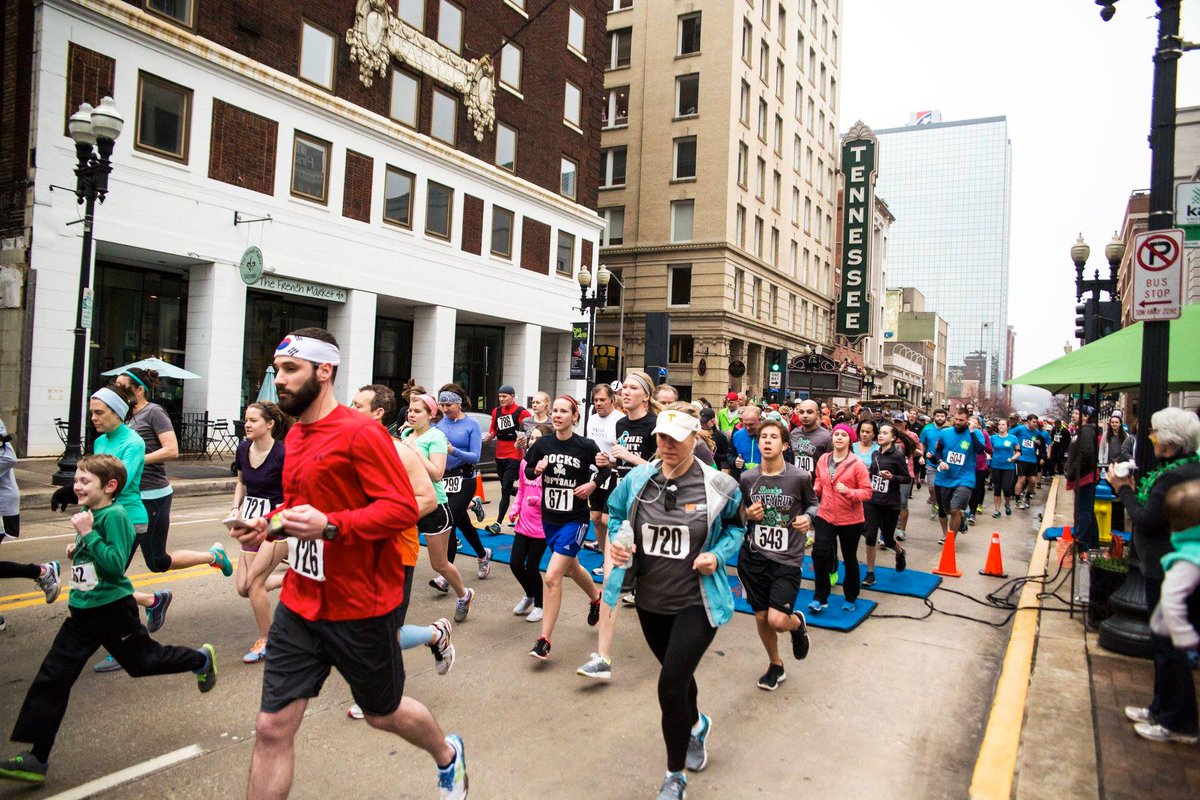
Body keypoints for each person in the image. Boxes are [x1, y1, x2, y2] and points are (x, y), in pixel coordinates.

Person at [227, 329, 468, 798]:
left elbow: (404, 507)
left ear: (324, 371)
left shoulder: (361, 433)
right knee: (272, 727)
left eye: (290, 369)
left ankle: (448, 753)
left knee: (382, 712)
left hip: (360, 607)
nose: (279, 379)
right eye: (277, 370)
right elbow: (300, 507)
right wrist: (269, 527)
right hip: (300, 604)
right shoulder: (296, 435)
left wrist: (332, 527)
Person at [0, 454, 216, 785]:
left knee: (143, 662)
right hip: (83, 613)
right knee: (53, 677)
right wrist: (80, 546)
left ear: (110, 486)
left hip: (113, 612)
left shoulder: (115, 516)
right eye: (76, 480)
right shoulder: (93, 512)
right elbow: (96, 557)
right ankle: (35, 758)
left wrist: (88, 536)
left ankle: (199, 659)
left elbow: (115, 564)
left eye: (85, 481)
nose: (76, 486)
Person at [605, 408, 745, 800]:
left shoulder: (719, 486)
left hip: (697, 601)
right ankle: (697, 725)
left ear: (693, 440)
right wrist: (620, 539)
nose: (665, 446)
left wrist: (717, 554)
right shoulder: (637, 480)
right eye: (660, 438)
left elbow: (737, 528)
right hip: (650, 599)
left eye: (675, 439)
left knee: (669, 687)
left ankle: (674, 775)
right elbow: (616, 515)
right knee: (678, 676)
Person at [85, 382, 227, 673]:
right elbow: (96, 480)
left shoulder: (136, 438)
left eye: (99, 413)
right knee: (104, 581)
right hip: (105, 515)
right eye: (92, 413)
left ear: (118, 411)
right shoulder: (101, 443)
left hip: (131, 515)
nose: (94, 419)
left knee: (113, 580)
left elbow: (118, 480)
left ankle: (126, 642)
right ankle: (151, 603)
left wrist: (88, 490)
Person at [344, 386, 455, 719]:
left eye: (357, 405)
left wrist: (378, 522)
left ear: (378, 413)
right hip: (359, 551)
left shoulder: (399, 451)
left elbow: (428, 500)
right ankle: (436, 634)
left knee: (383, 631)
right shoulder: (350, 450)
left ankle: (378, 693)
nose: (350, 409)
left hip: (395, 550)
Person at [1109, 406, 1200, 744]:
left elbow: (1146, 519)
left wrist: (1122, 488)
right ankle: (1160, 707)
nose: (1151, 438)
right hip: (1162, 566)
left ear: (1170, 440)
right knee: (1162, 645)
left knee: (1168, 648)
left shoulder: (1176, 476)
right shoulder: (1176, 470)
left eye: (1155, 433)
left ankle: (1179, 722)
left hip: (1168, 568)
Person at [578, 371, 660, 680]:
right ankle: (603, 659)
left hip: (650, 513)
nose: (625, 392)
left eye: (632, 388)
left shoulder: (655, 427)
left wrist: (630, 456)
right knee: (611, 582)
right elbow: (621, 465)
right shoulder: (621, 424)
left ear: (645, 396)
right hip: (622, 509)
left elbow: (662, 470)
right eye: (623, 387)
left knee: (659, 589)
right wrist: (609, 463)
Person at [736, 418, 814, 691]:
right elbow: (738, 515)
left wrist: (807, 518)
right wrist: (748, 514)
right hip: (754, 556)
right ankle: (776, 664)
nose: (767, 441)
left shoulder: (799, 477)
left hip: (787, 557)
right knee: (760, 617)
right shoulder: (747, 478)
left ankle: (796, 625)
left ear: (783, 444)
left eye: (772, 437)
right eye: (763, 437)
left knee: (777, 620)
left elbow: (814, 505)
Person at [524, 395, 603, 660]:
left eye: (563, 411)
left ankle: (544, 640)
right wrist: (537, 469)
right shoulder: (544, 443)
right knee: (573, 568)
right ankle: (596, 598)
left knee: (552, 575)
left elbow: (605, 470)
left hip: (575, 519)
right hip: (551, 518)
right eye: (554, 411)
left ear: (574, 416)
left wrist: (592, 485)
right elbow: (528, 472)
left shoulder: (585, 445)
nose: (557, 415)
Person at [231, 401, 289, 663]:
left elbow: (294, 495)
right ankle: (293, 581)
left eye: (253, 420)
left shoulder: (282, 453)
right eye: (246, 419)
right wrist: (235, 508)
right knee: (243, 588)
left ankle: (268, 641)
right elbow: (242, 481)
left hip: (278, 524)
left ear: (270, 424)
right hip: (250, 521)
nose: (247, 424)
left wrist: (275, 519)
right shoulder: (243, 448)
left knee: (254, 583)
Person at [810, 424, 872, 612]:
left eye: (843, 435)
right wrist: (814, 490)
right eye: (836, 434)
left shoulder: (857, 464)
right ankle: (820, 597)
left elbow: (867, 492)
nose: (838, 438)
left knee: (849, 557)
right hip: (825, 514)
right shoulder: (823, 459)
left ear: (850, 440)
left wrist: (849, 492)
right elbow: (819, 481)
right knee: (819, 554)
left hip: (851, 519)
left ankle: (850, 596)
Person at [435, 385, 491, 582]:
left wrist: (453, 451)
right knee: (462, 523)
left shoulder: (472, 424)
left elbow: (475, 456)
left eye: (449, 404)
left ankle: (445, 576)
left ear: (458, 403)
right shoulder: (439, 424)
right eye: (442, 404)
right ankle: (483, 554)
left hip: (465, 479)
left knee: (448, 520)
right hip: (444, 479)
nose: (445, 408)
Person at [927, 408, 988, 546]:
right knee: (945, 510)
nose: (958, 422)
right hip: (944, 477)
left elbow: (979, 450)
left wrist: (972, 431)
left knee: (954, 509)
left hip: (965, 478)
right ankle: (961, 517)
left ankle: (950, 541)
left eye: (962, 420)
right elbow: (938, 450)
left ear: (967, 420)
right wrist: (940, 461)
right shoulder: (945, 432)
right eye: (956, 419)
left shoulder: (976, 434)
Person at [509, 424, 551, 622]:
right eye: (531, 438)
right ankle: (529, 595)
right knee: (515, 563)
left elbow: (555, 497)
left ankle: (540, 606)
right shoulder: (525, 464)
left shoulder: (552, 466)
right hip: (524, 522)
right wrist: (515, 508)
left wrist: (539, 502)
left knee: (532, 566)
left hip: (542, 525)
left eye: (538, 439)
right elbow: (521, 490)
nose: (533, 442)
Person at [863, 422, 911, 586]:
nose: (880, 435)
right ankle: (870, 572)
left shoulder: (897, 456)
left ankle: (899, 552)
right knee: (870, 536)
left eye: (885, 433)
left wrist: (892, 478)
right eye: (880, 433)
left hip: (890, 503)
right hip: (873, 501)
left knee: (889, 539)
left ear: (893, 438)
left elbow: (907, 478)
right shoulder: (875, 454)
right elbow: (872, 475)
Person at [483, 385, 531, 535]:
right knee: (507, 487)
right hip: (500, 454)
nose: (501, 399)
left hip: (514, 454)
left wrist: (524, 441)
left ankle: (497, 523)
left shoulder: (521, 412)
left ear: (512, 396)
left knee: (505, 490)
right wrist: (490, 435)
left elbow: (529, 430)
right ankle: (528, 496)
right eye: (500, 396)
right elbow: (493, 429)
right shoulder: (496, 411)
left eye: (505, 396)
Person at [585, 383, 624, 564]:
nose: (598, 403)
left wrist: (610, 461)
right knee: (595, 518)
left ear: (612, 400)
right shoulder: (592, 418)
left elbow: (625, 453)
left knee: (607, 519)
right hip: (597, 474)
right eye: (595, 400)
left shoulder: (620, 420)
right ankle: (604, 555)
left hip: (615, 473)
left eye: (602, 400)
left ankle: (612, 558)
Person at [1064, 405, 1100, 553]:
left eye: (1077, 413)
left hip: (1084, 476)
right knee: (1088, 511)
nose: (1073, 415)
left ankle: (1081, 541)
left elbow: (1086, 454)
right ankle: (1092, 544)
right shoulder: (1084, 431)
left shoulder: (1086, 431)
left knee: (1083, 510)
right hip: (1083, 475)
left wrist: (1072, 471)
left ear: (1085, 417)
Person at [989, 418, 1021, 518]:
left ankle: (1007, 504)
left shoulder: (1013, 438)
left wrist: (1012, 458)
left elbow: (1019, 451)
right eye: (999, 425)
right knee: (997, 488)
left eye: (1003, 425)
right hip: (995, 466)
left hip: (1008, 467)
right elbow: (989, 450)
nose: (1000, 426)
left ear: (1007, 427)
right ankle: (997, 510)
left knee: (1006, 488)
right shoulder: (993, 438)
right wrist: (988, 455)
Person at [1010, 414, 1042, 509]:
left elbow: (1037, 441)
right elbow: (1009, 435)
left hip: (1032, 459)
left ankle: (1027, 497)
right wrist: (1015, 447)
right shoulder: (1020, 429)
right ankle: (1017, 500)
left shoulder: (1036, 432)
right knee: (1022, 479)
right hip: (1021, 458)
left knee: (1033, 480)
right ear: (1028, 421)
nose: (1035, 424)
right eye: (1033, 422)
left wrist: (1038, 442)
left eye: (1036, 422)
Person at [919, 409, 948, 512]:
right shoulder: (927, 428)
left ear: (945, 418)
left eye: (942, 416)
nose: (939, 418)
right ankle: (935, 503)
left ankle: (942, 503)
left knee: (942, 487)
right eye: (938, 416)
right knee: (932, 487)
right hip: (931, 461)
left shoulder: (948, 429)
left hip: (945, 463)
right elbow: (922, 442)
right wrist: (922, 455)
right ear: (934, 417)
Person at [967, 415, 994, 525]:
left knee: (976, 489)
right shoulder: (963, 433)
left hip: (980, 465)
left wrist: (985, 450)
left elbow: (988, 449)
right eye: (970, 422)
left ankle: (973, 511)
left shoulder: (983, 435)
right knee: (967, 489)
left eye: (974, 423)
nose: (972, 425)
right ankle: (967, 509)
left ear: (978, 425)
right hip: (967, 465)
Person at [729, 405, 763, 477]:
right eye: (745, 424)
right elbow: (729, 455)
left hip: (764, 480)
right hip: (742, 480)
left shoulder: (768, 435)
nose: (748, 428)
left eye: (751, 424)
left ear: (759, 419)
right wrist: (735, 461)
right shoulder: (737, 435)